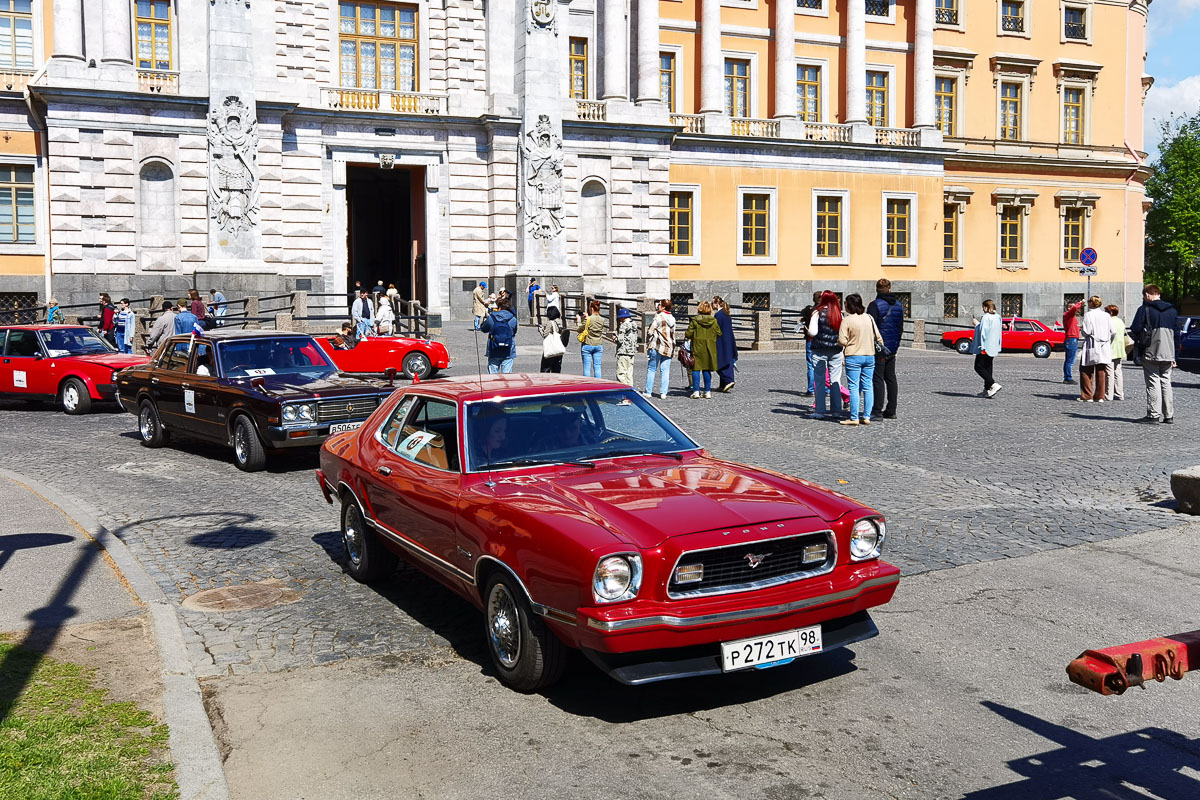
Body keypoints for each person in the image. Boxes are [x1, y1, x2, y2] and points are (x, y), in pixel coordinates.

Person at [1129, 284, 1178, 424]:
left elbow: (1136, 328)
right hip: (1168, 351)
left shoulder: (1145, 309)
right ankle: (1169, 415)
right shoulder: (1173, 311)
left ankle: (1153, 415)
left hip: (1151, 350)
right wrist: (1176, 356)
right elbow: (1176, 334)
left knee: (1153, 382)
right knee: (1166, 382)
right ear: (1159, 293)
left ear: (1147, 295)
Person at [838, 294, 885, 426]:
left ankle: (854, 417)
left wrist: (848, 342)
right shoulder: (869, 318)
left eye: (845, 303)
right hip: (869, 356)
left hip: (853, 356)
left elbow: (842, 340)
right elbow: (879, 337)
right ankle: (866, 416)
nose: (844, 305)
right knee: (868, 386)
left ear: (849, 305)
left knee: (854, 387)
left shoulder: (847, 320)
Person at [867, 278, 903, 419]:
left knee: (877, 378)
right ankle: (891, 409)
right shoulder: (899, 305)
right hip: (893, 346)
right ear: (889, 289)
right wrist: (896, 343)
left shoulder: (874, 305)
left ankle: (877, 410)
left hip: (879, 347)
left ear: (877, 289)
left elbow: (871, 326)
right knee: (891, 378)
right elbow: (900, 327)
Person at [807, 291, 845, 419]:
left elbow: (813, 331)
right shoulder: (838, 313)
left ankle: (820, 411)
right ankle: (836, 410)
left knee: (820, 381)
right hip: (836, 350)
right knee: (835, 381)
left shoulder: (817, 312)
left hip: (820, 350)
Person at [1079, 296, 1113, 403]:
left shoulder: (1088, 315)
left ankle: (1087, 395)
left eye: (1089, 301)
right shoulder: (1106, 315)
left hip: (1092, 344)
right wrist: (1108, 342)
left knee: (1086, 370)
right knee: (1101, 370)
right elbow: (1113, 331)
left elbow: (1087, 331)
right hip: (1104, 345)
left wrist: (1082, 331)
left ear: (1092, 303)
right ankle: (1100, 396)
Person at [685, 300, 720, 399]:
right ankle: (707, 391)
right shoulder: (714, 321)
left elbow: (688, 334)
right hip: (709, 347)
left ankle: (696, 391)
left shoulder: (695, 320)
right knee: (707, 369)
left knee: (696, 368)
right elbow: (719, 332)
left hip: (697, 347)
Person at [644, 298, 676, 399]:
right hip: (669, 346)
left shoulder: (658, 317)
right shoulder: (672, 318)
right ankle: (663, 393)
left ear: (663, 307)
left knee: (652, 369)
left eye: (659, 305)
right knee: (665, 370)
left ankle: (648, 391)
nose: (658, 306)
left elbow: (650, 331)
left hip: (657, 345)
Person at [971, 299, 1003, 397]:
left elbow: (983, 333)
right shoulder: (998, 317)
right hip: (993, 346)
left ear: (985, 307)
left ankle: (993, 384)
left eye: (983, 308)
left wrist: (977, 324)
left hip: (985, 346)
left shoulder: (986, 317)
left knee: (978, 367)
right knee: (988, 367)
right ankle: (987, 389)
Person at [480, 294, 518, 374]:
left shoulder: (492, 317)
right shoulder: (513, 319)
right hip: (508, 349)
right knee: (507, 376)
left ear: (498, 306)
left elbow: (484, 329)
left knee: (492, 376)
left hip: (494, 349)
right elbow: (514, 332)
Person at [797, 291, 820, 396]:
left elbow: (803, 314)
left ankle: (811, 389)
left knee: (810, 365)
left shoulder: (810, 310)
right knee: (824, 366)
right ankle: (826, 389)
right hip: (822, 341)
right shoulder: (826, 311)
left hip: (811, 340)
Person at [576, 300, 606, 378]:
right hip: (598, 345)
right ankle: (598, 385)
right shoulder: (602, 320)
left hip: (588, 344)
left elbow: (579, 329)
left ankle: (588, 385)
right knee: (597, 366)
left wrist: (579, 320)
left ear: (591, 309)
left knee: (587, 368)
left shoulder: (588, 319)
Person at [713, 297, 737, 392]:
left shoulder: (718, 315)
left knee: (718, 362)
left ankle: (728, 380)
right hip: (729, 340)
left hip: (721, 341)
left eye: (713, 303)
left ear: (716, 304)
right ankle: (723, 385)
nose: (712, 306)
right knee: (727, 361)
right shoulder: (726, 314)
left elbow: (716, 330)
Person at [1104, 305, 1127, 402]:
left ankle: (1108, 395)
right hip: (1120, 349)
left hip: (1110, 349)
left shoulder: (1109, 321)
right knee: (1118, 372)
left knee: (1109, 373)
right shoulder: (1120, 321)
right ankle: (1120, 394)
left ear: (1110, 312)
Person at [614, 307, 639, 386]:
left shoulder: (624, 325)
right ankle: (630, 390)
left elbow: (620, 340)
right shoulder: (634, 325)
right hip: (631, 352)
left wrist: (615, 338)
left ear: (623, 317)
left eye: (620, 318)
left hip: (623, 352)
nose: (620, 320)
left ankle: (623, 392)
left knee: (621, 373)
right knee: (629, 374)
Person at [1062, 298, 1084, 383]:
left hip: (1072, 338)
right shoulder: (1068, 314)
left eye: (1071, 306)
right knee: (1070, 361)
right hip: (1071, 339)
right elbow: (1074, 308)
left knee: (1069, 360)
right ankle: (1068, 378)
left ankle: (1067, 377)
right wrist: (1080, 303)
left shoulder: (1072, 317)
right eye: (1068, 306)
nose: (1069, 308)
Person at [538, 305, 565, 373]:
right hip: (558, 348)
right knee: (556, 368)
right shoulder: (560, 322)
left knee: (546, 368)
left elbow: (545, 335)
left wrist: (540, 330)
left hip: (551, 348)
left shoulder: (550, 322)